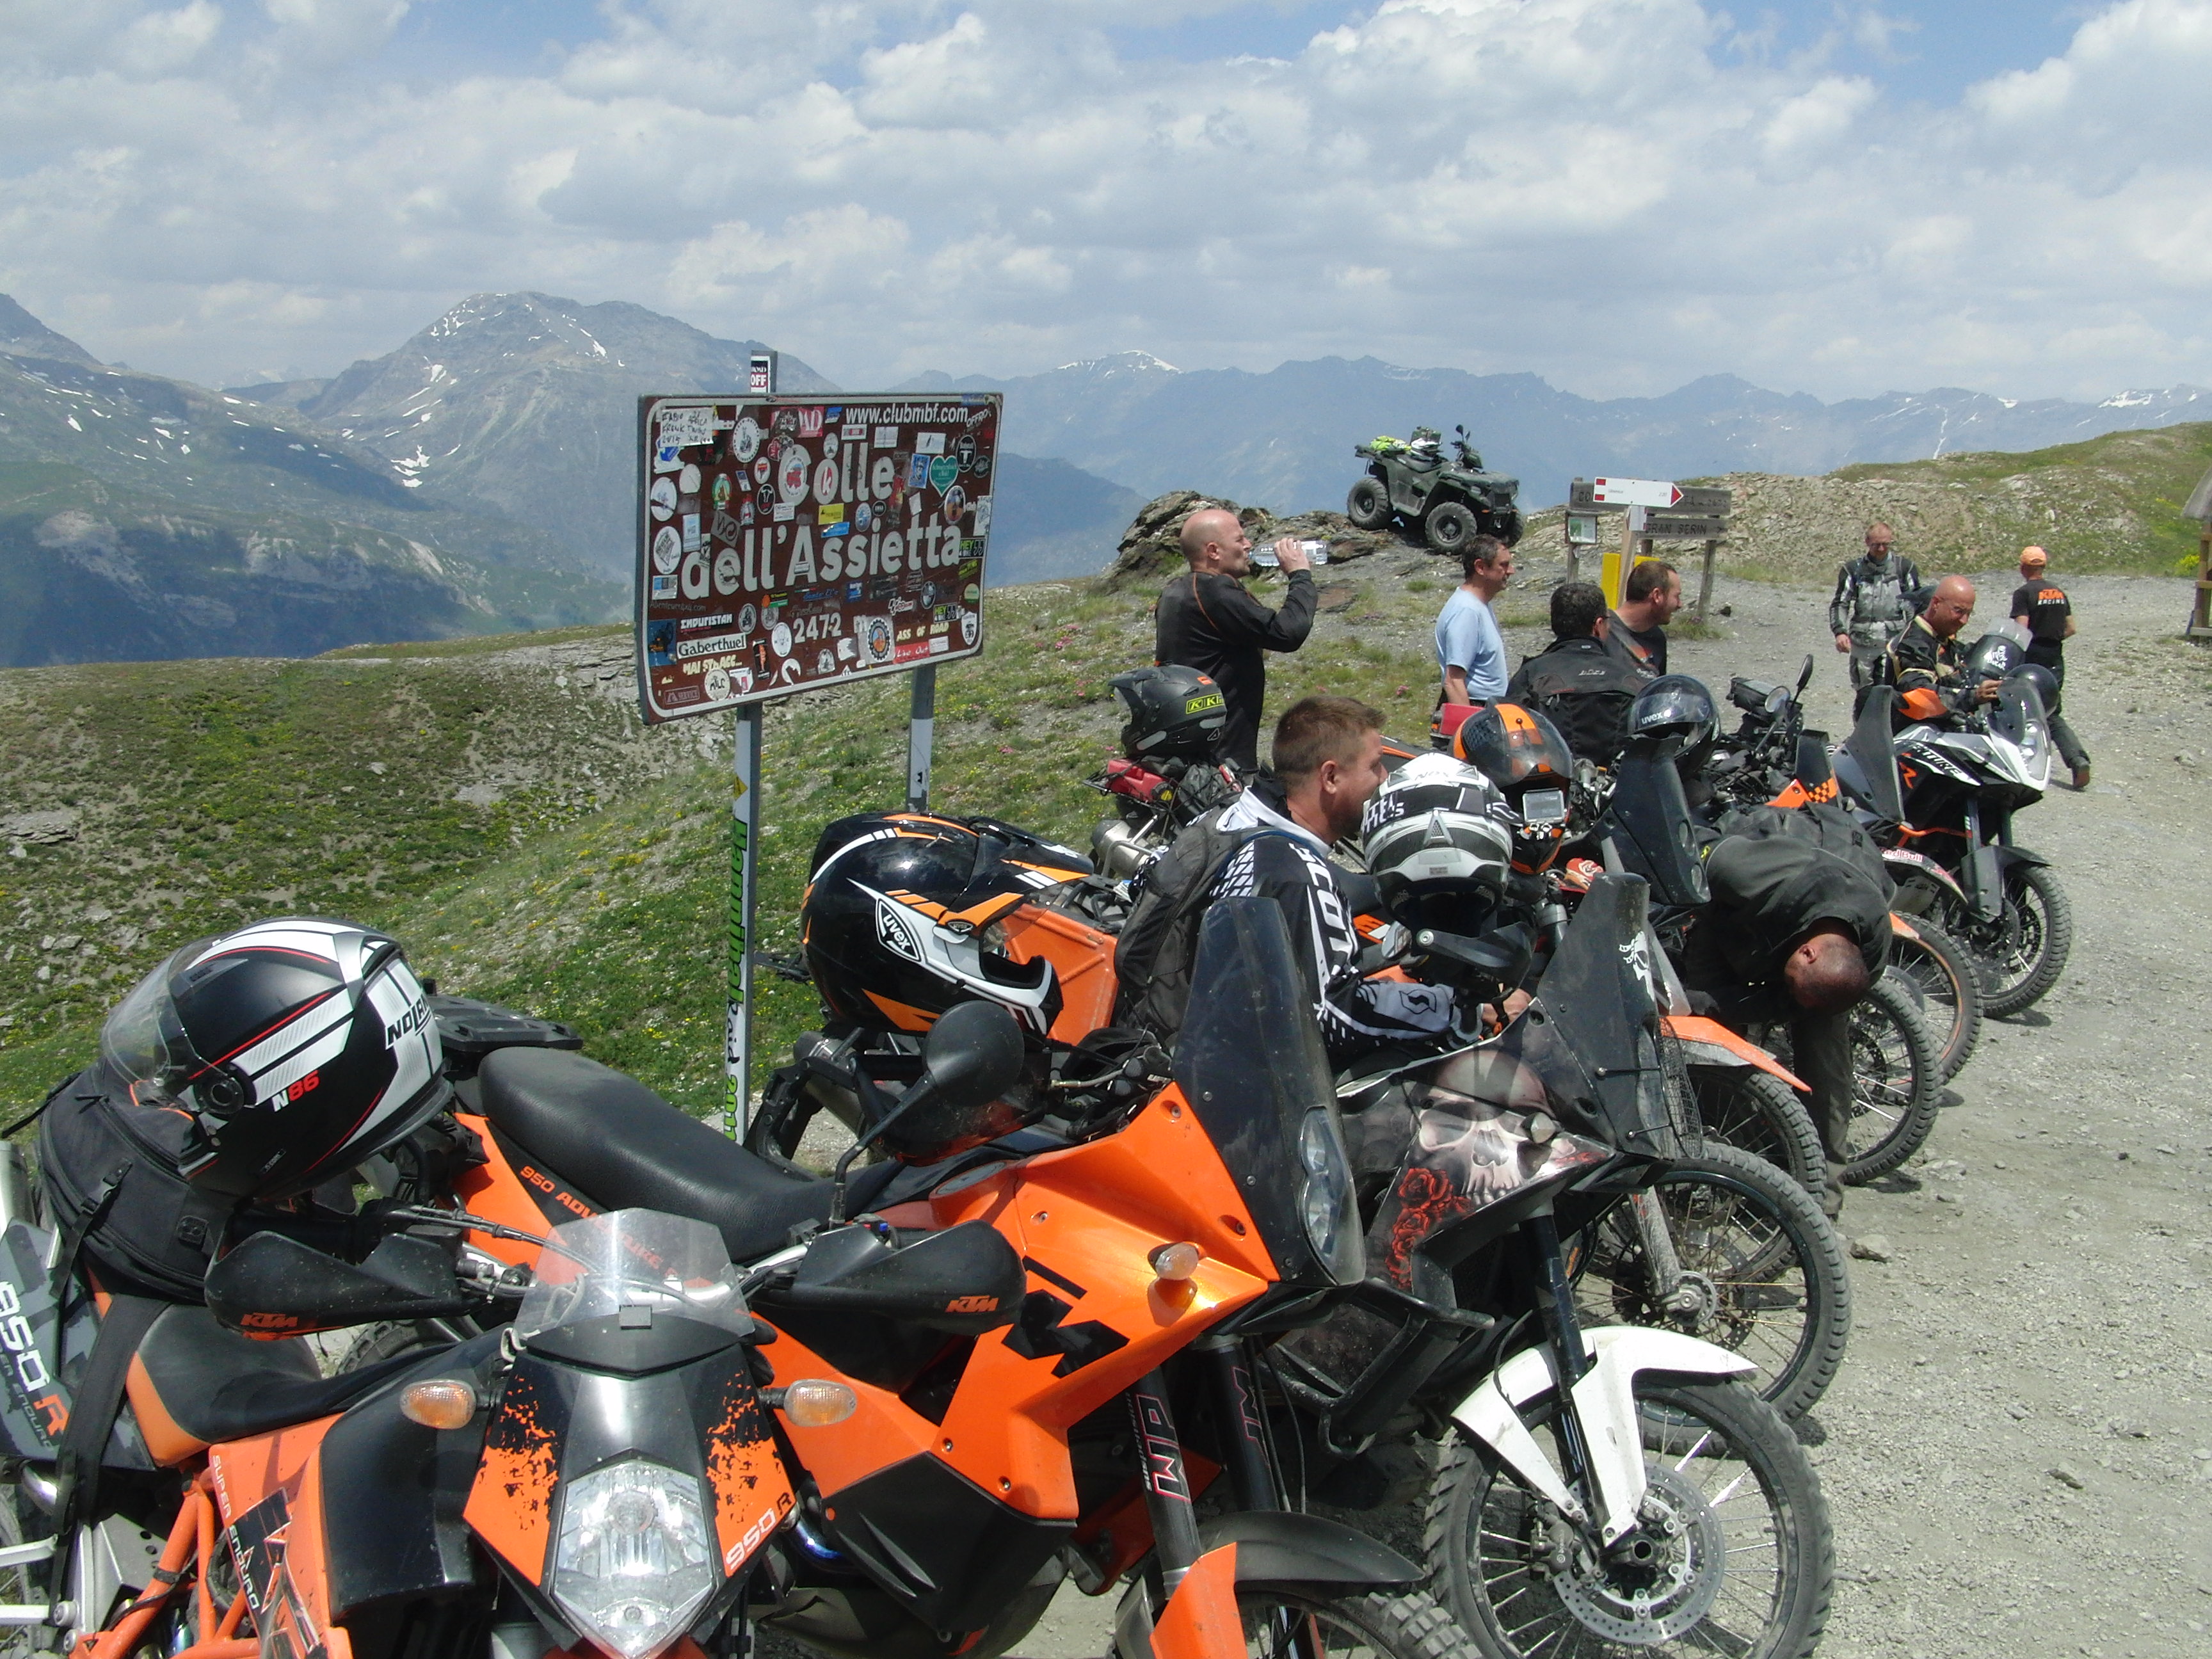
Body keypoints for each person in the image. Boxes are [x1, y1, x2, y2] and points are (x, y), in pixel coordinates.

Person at [1118, 696, 1460, 1063]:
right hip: (1236, 1071)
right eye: (1375, 766)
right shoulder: (1294, 874)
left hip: (1174, 1035)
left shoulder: (1224, 817)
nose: (1384, 779)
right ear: (1330, 777)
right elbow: (1330, 1018)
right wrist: (1451, 1010)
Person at [1678, 808, 1893, 1220]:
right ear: (1807, 953)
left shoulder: (1870, 947)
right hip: (1727, 918)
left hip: (1821, 919)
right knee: (1705, 1030)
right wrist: (1714, 1001)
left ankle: (1822, 1199)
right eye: (1793, 986)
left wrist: (1782, 1003)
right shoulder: (1747, 873)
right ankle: (1709, 1155)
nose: (1792, 998)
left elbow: (1800, 1000)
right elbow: (1693, 857)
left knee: (1827, 1061)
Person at [1154, 506, 1316, 773]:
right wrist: (1300, 575)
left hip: (1189, 748)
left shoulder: (1175, 591)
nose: (1248, 545)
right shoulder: (1216, 592)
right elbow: (1287, 633)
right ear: (1213, 551)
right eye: (1240, 539)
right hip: (1223, 759)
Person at [1502, 580, 1655, 767]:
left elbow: (1508, 740)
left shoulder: (1530, 675)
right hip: (1618, 781)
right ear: (1598, 625)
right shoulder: (1631, 678)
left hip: (1550, 779)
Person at [2010, 545, 2092, 789]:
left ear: (2023, 568)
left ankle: (2019, 765)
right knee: (2052, 711)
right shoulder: (2058, 592)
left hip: (2031, 658)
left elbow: (2021, 629)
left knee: (2020, 708)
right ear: (2043, 567)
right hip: (2055, 657)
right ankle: (2077, 759)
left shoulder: (2024, 593)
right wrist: (2053, 639)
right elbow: (2071, 628)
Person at [1829, 523, 1925, 713]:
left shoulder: (1904, 568)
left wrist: (1913, 637)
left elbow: (1916, 605)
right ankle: (1862, 729)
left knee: (1889, 694)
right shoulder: (1853, 570)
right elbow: (1840, 603)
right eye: (1876, 545)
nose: (1881, 549)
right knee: (1864, 695)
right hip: (1863, 645)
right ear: (1867, 542)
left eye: (1885, 544)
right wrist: (1840, 632)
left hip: (1892, 645)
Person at [1431, 533, 1514, 746]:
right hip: (1475, 711)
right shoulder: (1466, 611)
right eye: (1503, 565)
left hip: (1486, 710)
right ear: (1480, 567)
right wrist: (1470, 739)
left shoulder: (1478, 606)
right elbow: (1453, 681)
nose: (1511, 571)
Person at [1889, 575, 2000, 728]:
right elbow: (1918, 692)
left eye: (1969, 613)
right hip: (1914, 732)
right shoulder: (1913, 644)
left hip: (1942, 727)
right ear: (1936, 603)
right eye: (1958, 611)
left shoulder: (1942, 637)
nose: (1964, 621)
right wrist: (1972, 696)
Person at [1611, 559, 1681, 673]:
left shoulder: (1657, 638)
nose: (1680, 605)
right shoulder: (1600, 630)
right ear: (1657, 596)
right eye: (1677, 596)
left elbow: (1658, 684)